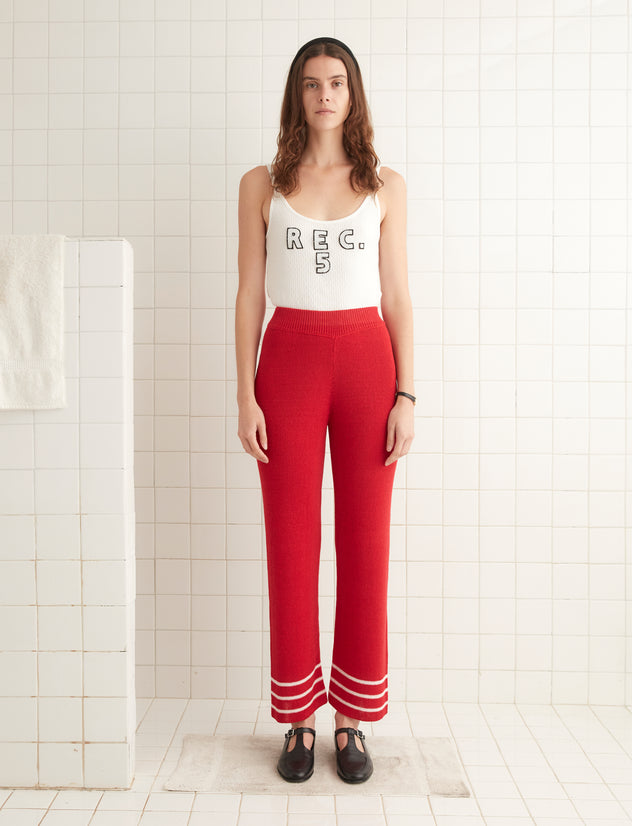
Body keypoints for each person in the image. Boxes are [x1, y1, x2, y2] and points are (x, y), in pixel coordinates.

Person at [235, 36, 415, 784]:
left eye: (337, 82)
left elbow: (399, 295)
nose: (324, 95)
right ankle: (298, 721)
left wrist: (407, 393)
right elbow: (249, 292)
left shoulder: (385, 184)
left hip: (369, 364)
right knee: (291, 542)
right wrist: (242, 390)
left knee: (365, 544)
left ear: (353, 93)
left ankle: (353, 720)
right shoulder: (261, 183)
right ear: (296, 96)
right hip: (289, 363)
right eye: (311, 84)